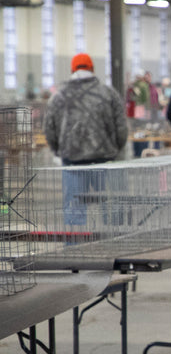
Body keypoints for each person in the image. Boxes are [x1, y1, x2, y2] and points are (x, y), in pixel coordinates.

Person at [44, 52, 128, 225]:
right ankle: (114, 247)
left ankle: (74, 249)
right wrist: (117, 150)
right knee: (111, 210)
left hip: (72, 161)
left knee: (75, 211)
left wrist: (58, 151)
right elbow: (121, 128)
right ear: (92, 69)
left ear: (72, 70)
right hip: (105, 161)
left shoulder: (58, 97)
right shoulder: (108, 93)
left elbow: (49, 129)